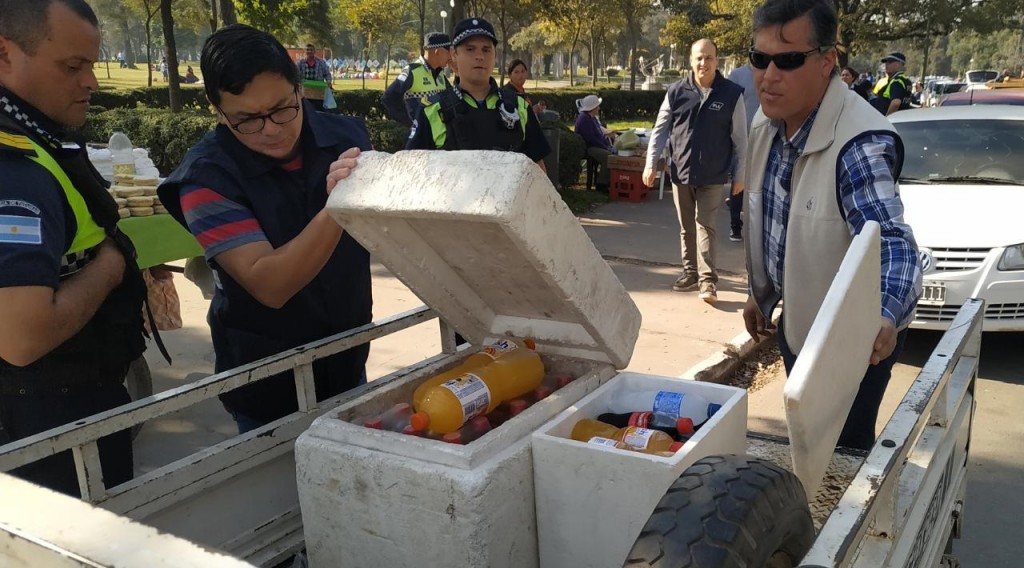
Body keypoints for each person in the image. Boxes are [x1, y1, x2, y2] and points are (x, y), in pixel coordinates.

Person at [157, 25, 373, 434]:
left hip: (348, 357)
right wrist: (339, 206)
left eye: (282, 108)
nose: (271, 128)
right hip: (266, 382)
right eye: (247, 119)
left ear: (299, 89)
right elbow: (269, 283)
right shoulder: (205, 178)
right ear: (218, 111)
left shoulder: (345, 138)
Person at [742, 0, 922, 451]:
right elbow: (773, 219)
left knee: (839, 456)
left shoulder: (858, 144)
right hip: (800, 322)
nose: (769, 75)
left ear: (826, 62)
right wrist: (760, 292)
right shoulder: (767, 122)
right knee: (806, 440)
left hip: (856, 342)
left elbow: (893, 243)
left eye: (787, 60)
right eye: (760, 58)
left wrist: (884, 315)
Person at [0, 0, 146, 496]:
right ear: (5, 54)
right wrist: (111, 265)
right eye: (72, 66)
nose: (92, 82)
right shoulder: (13, 169)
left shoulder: (35, 140)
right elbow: (22, 338)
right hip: (51, 426)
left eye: (92, 64)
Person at [642, 38, 747, 304]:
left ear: (717, 60)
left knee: (705, 225)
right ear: (691, 60)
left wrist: (740, 175)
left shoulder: (731, 94)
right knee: (686, 226)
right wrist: (651, 163)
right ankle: (690, 272)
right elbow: (660, 130)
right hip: (681, 171)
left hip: (714, 174)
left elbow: (740, 139)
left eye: (709, 57)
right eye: (699, 58)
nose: (704, 63)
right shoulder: (676, 92)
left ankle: (708, 280)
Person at [405, 17, 550, 171]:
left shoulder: (519, 107)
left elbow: (538, 172)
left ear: (495, 55)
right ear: (454, 54)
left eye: (486, 50)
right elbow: (412, 173)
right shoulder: (432, 111)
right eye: (470, 49)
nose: (479, 56)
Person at [380, 32, 452, 126]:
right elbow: (388, 97)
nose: (450, 56)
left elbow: (453, 100)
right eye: (448, 51)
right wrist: (410, 123)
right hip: (420, 134)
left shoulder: (440, 74)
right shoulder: (412, 71)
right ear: (437, 51)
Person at [727, 63, 758, 242]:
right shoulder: (737, 75)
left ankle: (756, 229)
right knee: (739, 182)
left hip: (767, 137)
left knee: (759, 185)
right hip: (741, 138)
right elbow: (727, 104)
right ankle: (735, 225)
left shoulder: (771, 72)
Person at [573, 94, 615, 192]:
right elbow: (591, 139)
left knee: (610, 154)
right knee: (608, 157)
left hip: (593, 145)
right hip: (587, 147)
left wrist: (606, 143)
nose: (599, 108)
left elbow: (598, 134)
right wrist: (604, 146)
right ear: (592, 108)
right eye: (597, 106)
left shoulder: (592, 118)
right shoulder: (584, 119)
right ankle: (601, 184)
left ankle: (607, 180)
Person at [871, 51, 911, 116]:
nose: (886, 64)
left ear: (899, 64)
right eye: (886, 62)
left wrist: (887, 118)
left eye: (890, 62)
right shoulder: (905, 80)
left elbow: (896, 103)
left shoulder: (897, 81)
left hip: (892, 119)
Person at [297, 43, 333, 112]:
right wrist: (298, 82)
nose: (309, 51)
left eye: (311, 50)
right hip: (305, 90)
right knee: (306, 110)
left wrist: (328, 81)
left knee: (319, 110)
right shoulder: (300, 63)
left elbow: (327, 73)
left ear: (314, 51)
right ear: (305, 51)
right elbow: (296, 74)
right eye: (307, 50)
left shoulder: (321, 62)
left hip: (318, 90)